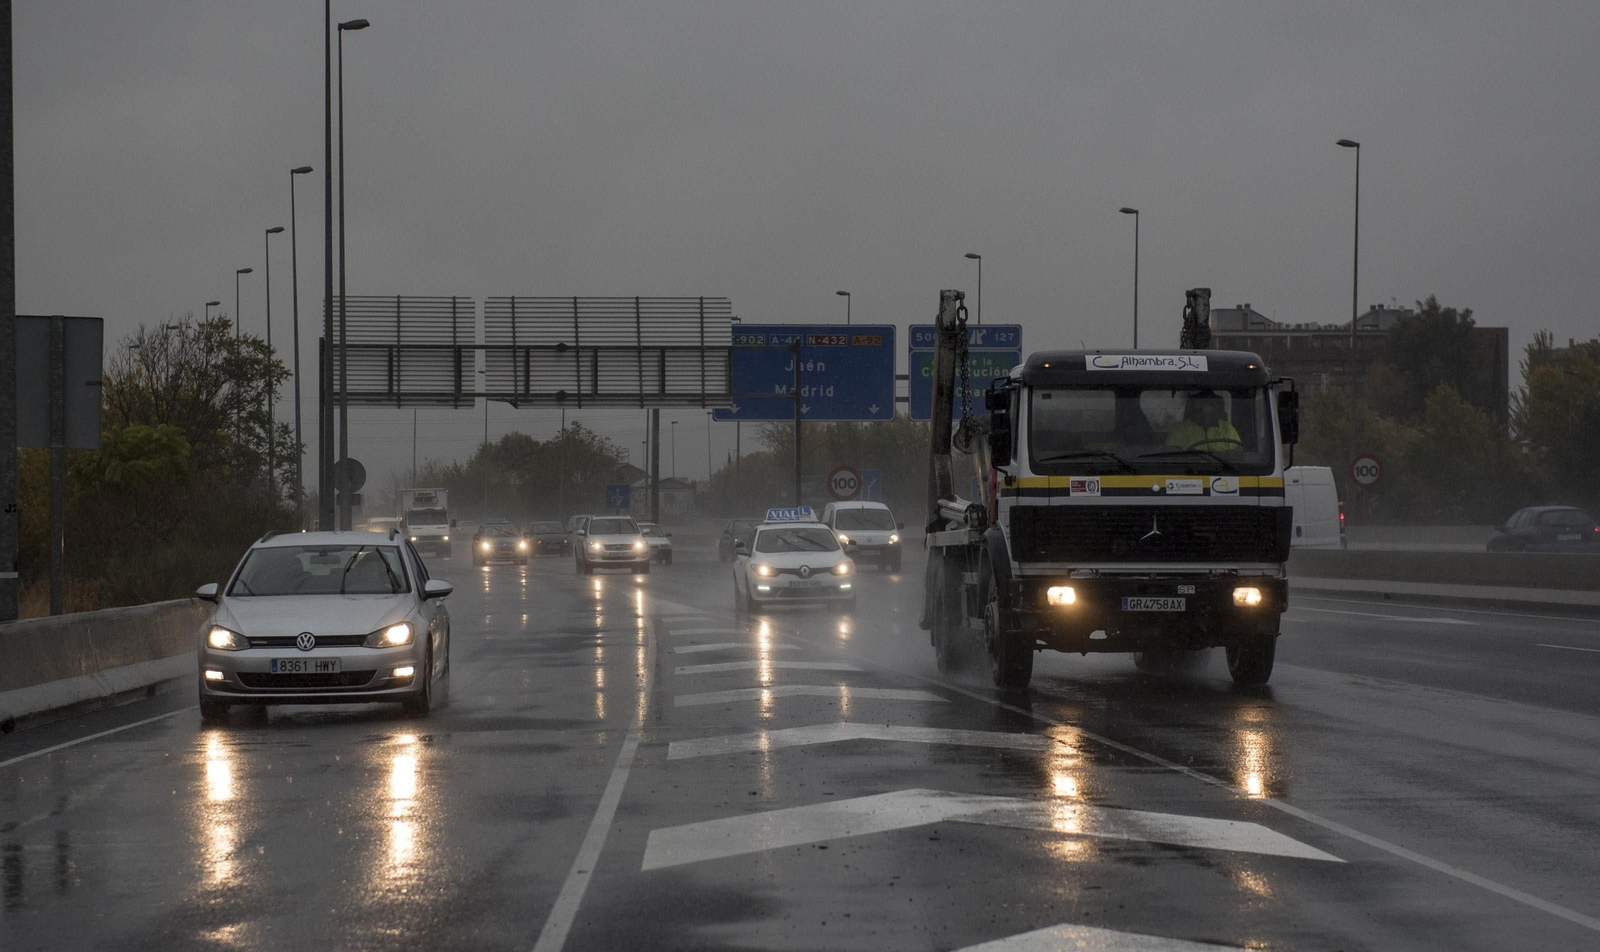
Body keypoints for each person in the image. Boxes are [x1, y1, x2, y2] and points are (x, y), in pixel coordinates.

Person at [1167, 392, 1240, 450]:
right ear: (1193, 409)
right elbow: (1171, 455)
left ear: (1218, 409)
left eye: (1211, 404)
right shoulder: (1181, 429)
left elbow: (1238, 454)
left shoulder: (1227, 429)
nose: (1206, 409)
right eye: (1202, 405)